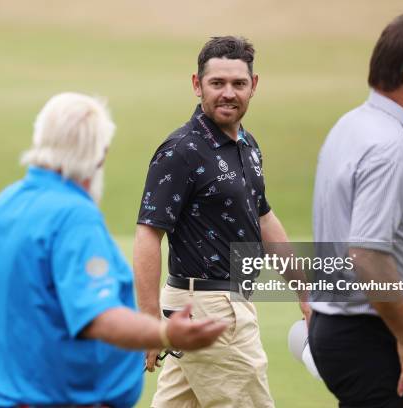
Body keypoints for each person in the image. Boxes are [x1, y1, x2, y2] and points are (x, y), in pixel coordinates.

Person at [0, 92, 226, 408]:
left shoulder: (4, 204)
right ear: (99, 154)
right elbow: (100, 318)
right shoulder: (74, 216)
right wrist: (165, 335)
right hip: (61, 400)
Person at [134, 36, 310, 408]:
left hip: (212, 304)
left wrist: (305, 290)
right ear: (197, 85)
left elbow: (264, 219)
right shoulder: (181, 150)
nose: (228, 93)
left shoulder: (247, 145)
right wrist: (148, 322)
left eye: (238, 84)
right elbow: (148, 235)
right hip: (211, 309)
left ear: (254, 86)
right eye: (217, 83)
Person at [309, 12, 403, 408]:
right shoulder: (393, 147)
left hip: (342, 329)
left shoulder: (351, 125)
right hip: (367, 337)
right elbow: (368, 255)